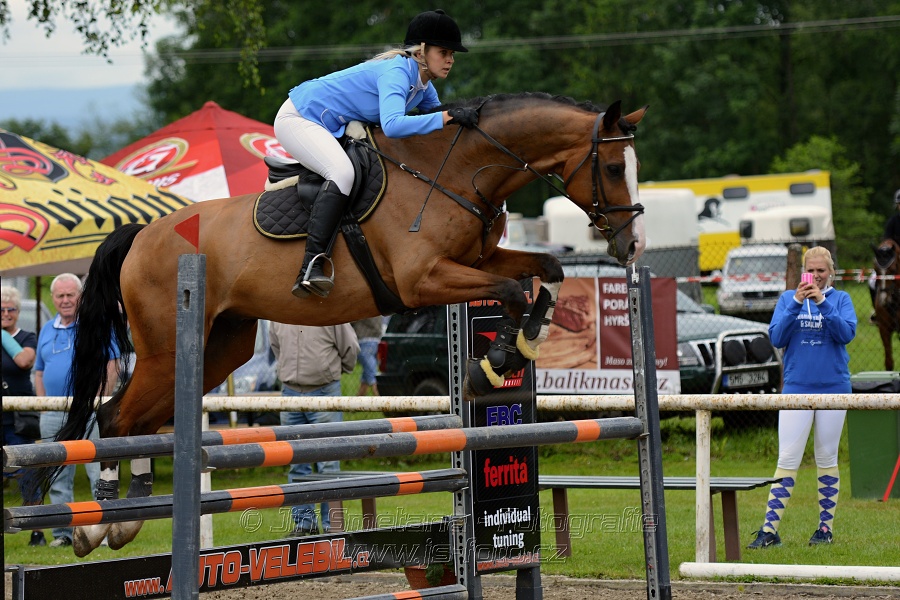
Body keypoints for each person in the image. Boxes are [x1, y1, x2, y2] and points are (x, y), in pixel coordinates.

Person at [274, 9, 478, 299]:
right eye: (444, 52)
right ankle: (311, 265)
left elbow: (437, 117)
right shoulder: (396, 72)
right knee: (342, 173)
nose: (451, 60)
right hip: (299, 118)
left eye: (452, 54)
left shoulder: (422, 86)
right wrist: (448, 116)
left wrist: (464, 118)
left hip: (329, 124)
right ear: (421, 51)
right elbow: (394, 126)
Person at [747, 247, 856, 549]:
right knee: (787, 459)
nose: (817, 276)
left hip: (834, 387)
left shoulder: (841, 300)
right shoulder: (787, 299)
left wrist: (822, 302)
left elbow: (846, 334)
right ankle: (769, 531)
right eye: (812, 270)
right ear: (803, 272)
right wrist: (797, 301)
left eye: (822, 271)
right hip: (796, 387)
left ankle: (825, 529)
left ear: (830, 272)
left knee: (827, 458)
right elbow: (777, 338)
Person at [35, 273, 119, 547]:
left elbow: (112, 363)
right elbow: (38, 371)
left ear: (81, 297)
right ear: (53, 299)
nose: (66, 300)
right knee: (57, 475)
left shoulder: (96, 325)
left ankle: (100, 533)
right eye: (60, 295)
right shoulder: (47, 329)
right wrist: (43, 405)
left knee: (99, 472)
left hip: (90, 409)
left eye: (71, 294)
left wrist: (101, 399)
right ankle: (63, 534)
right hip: (54, 413)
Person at [269, 321, 359, 535]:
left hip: (322, 391)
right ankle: (304, 523)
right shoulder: (279, 313)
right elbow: (275, 344)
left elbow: (351, 348)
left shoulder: (328, 310)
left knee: (327, 461)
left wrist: (332, 371)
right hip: (291, 392)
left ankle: (331, 526)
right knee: (296, 461)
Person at [1, 285, 47, 546]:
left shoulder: (27, 336)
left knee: (28, 473)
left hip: (20, 417)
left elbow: (23, 362)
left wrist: (3, 336)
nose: (6, 313)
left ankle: (36, 530)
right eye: (1, 309)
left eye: (11, 309)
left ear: (18, 312)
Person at [351, 317, 383, 396]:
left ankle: (381, 403)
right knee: (367, 375)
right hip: (376, 339)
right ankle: (356, 404)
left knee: (371, 375)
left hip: (364, 339)